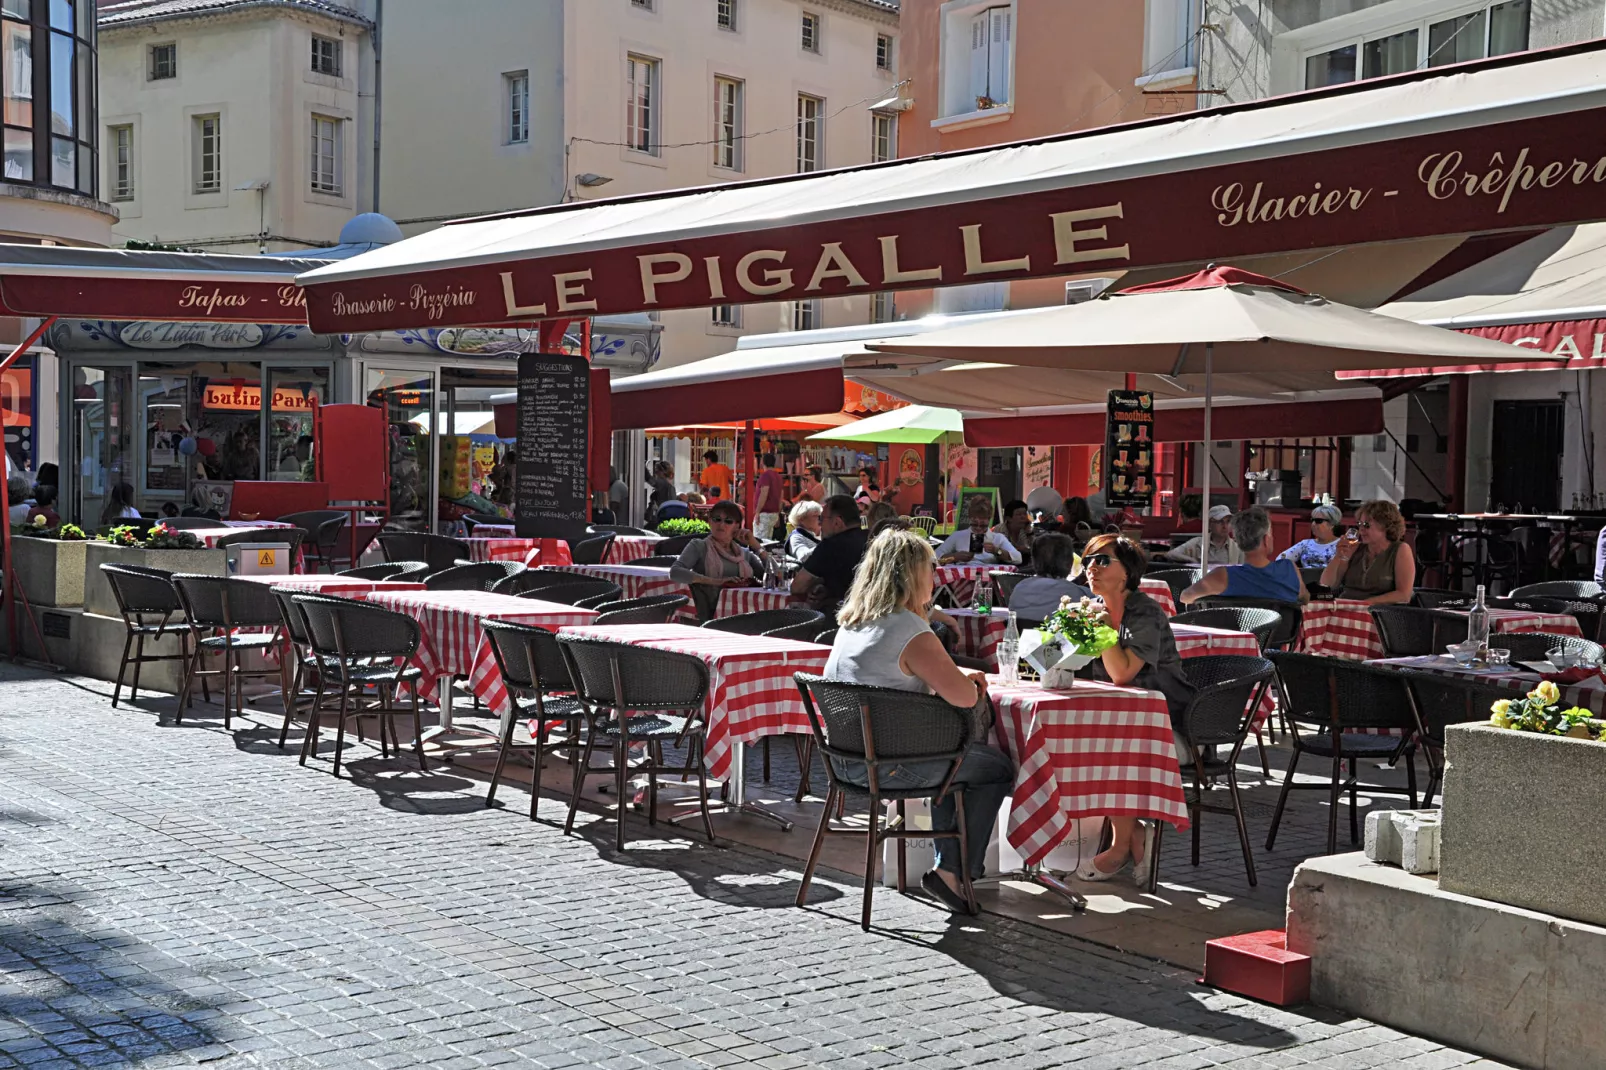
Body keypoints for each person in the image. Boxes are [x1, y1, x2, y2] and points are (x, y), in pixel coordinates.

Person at [824, 526, 1015, 914]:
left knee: (957, 759)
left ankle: (951, 869)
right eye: (931, 568)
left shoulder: (853, 621)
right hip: (889, 766)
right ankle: (955, 871)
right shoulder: (908, 628)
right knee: (992, 767)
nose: (936, 576)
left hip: (846, 759)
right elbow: (963, 698)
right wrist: (968, 682)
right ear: (914, 574)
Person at [1078, 533, 1196, 882]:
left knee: (1111, 745)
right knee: (1087, 739)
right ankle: (1136, 837)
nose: (1091, 568)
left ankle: (1119, 847)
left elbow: (1121, 674)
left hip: (1171, 728)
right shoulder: (1093, 609)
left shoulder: (1144, 612)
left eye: (1102, 561)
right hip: (1119, 721)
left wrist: (1100, 630)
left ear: (1127, 571)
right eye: (1087, 561)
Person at [669, 499, 772, 620]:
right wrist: (717, 581)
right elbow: (675, 572)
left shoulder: (744, 554)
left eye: (728, 521)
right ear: (709, 522)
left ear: (737, 526)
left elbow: (776, 577)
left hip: (744, 615)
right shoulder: (699, 546)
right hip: (708, 616)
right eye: (717, 519)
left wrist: (757, 546)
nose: (721, 524)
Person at [1180, 506, 1307, 605]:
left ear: (1238, 542)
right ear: (1266, 540)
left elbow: (1185, 596)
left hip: (1234, 636)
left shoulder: (1222, 576)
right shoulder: (1289, 568)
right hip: (1282, 638)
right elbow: (1304, 598)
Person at [1322, 499, 1416, 604]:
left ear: (1385, 525)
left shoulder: (1400, 549)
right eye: (1359, 524)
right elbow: (1326, 585)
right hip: (1345, 608)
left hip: (1380, 613)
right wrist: (1339, 556)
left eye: (1366, 525)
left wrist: (1364, 605)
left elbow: (1404, 595)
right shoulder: (1355, 548)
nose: (1361, 529)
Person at [791, 494, 868, 611]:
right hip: (877, 615)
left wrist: (818, 582)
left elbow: (797, 587)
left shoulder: (830, 545)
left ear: (837, 522)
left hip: (842, 619)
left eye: (821, 519)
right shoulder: (874, 538)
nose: (819, 524)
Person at [1008, 533, 1091, 624]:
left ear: (1033, 561)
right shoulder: (1079, 594)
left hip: (1023, 637)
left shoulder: (1019, 588)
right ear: (1070, 563)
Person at [936, 497, 1022, 565]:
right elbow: (934, 557)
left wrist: (997, 551)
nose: (978, 528)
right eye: (974, 524)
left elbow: (1018, 558)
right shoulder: (958, 536)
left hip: (988, 581)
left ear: (989, 519)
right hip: (962, 578)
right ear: (969, 518)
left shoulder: (997, 538)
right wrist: (954, 557)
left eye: (983, 525)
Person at [1166, 505, 1243, 566]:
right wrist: (1192, 560)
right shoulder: (1197, 543)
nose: (1225, 526)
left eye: (1228, 521)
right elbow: (1171, 554)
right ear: (1209, 524)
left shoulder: (1237, 548)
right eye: (1220, 522)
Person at [1279, 504, 1344, 568]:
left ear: (1332, 524)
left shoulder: (1342, 544)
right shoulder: (1305, 544)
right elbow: (1281, 559)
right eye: (1312, 520)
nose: (1313, 524)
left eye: (1318, 521)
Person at [752, 453, 786, 541]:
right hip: (774, 514)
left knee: (759, 541)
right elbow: (780, 497)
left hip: (764, 513)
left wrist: (757, 512)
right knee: (768, 541)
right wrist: (778, 513)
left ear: (762, 463)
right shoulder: (778, 477)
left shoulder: (765, 476)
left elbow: (764, 494)